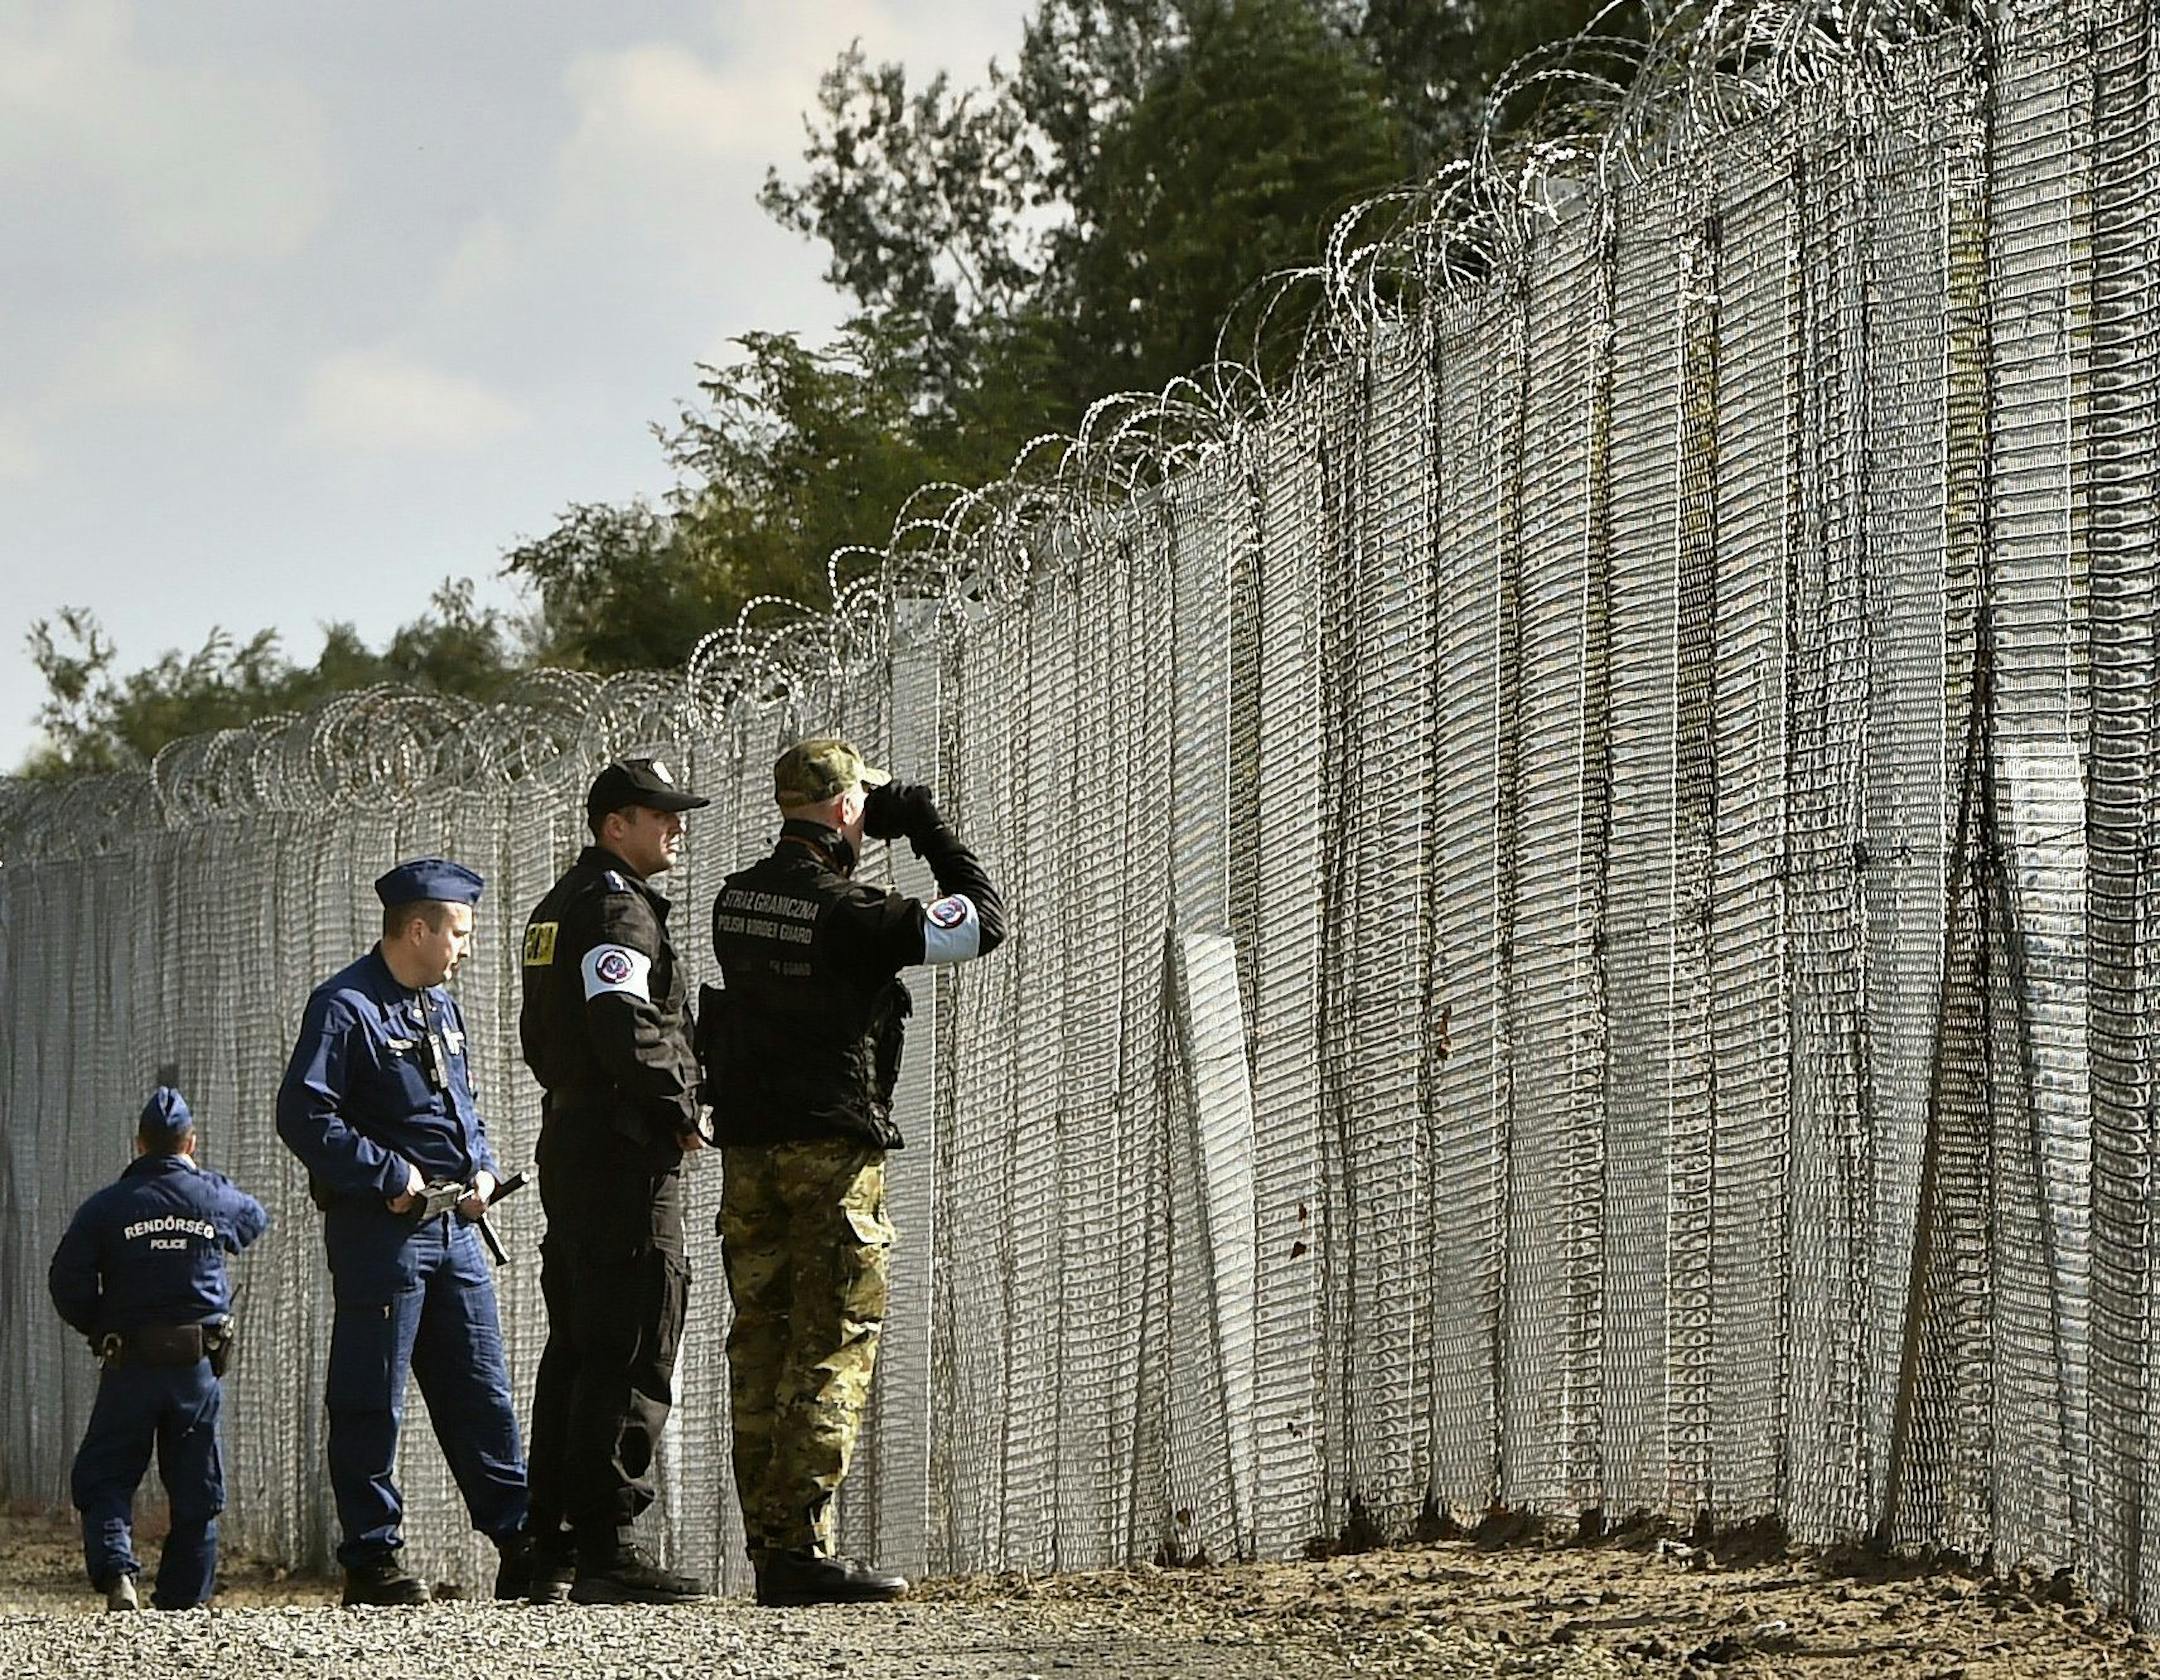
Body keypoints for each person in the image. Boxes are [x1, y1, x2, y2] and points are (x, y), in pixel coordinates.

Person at [705, 738, 1005, 1606]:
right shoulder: (851, 912)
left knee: (761, 1338)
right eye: (864, 806)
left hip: (750, 1151)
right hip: (829, 1153)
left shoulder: (736, 902)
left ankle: (775, 1545)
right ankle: (799, 1548)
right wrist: (929, 830)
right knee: (833, 1339)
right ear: (845, 810)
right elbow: (984, 920)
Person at [276, 857, 538, 1607]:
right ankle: (373, 1557)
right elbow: (304, 1114)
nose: (465, 947)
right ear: (416, 928)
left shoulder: (438, 1006)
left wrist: (482, 1170)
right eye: (457, 933)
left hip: (455, 1230)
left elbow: (463, 1110)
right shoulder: (346, 1007)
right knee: (372, 1394)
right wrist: (384, 1172)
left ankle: (518, 1541)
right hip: (383, 1236)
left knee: (480, 1389)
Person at [518, 757, 711, 1604]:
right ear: (613, 825)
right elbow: (624, 1021)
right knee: (632, 1332)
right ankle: (609, 1545)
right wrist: (681, 1106)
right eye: (655, 813)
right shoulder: (613, 907)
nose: (674, 827)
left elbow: (542, 1036)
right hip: (621, 1146)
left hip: (577, 1132)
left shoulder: (560, 907)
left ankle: (553, 1539)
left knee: (579, 1341)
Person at [47, 1082, 268, 1613]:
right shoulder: (212, 1195)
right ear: (191, 1144)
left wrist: (102, 1329)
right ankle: (182, 1604)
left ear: (139, 1144)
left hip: (130, 1364)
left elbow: (65, 1281)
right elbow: (253, 1219)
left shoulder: (107, 1207)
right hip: (196, 1367)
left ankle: (118, 1572)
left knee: (106, 1473)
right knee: (198, 1488)